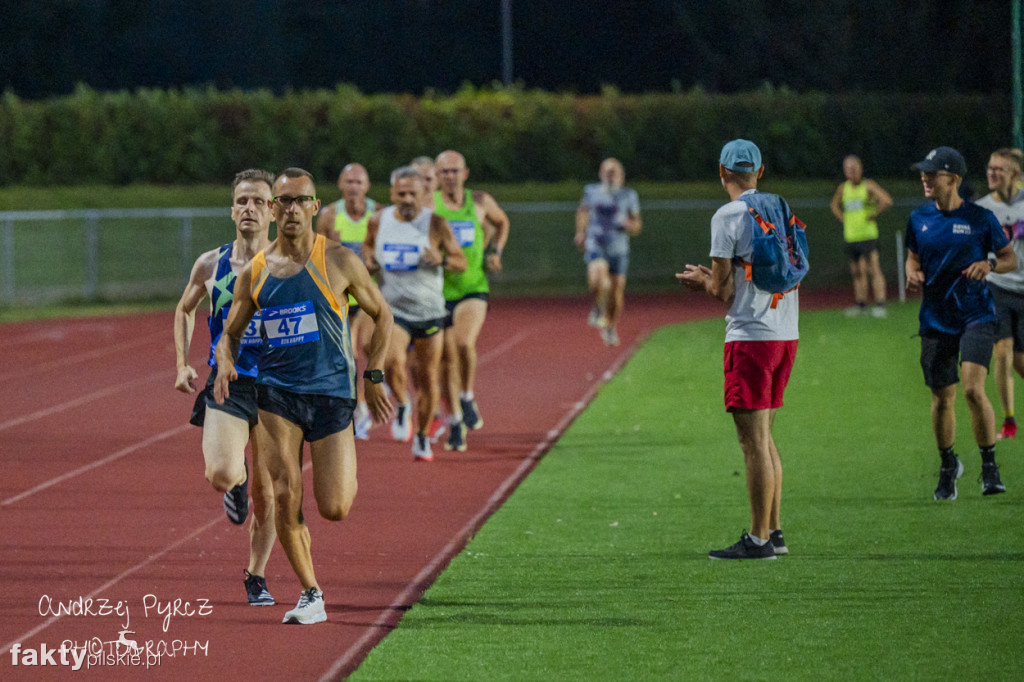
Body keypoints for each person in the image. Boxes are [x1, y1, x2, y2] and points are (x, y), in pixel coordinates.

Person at [214, 167, 394, 625]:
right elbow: (230, 332)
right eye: (284, 201)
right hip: (277, 396)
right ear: (273, 210)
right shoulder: (257, 271)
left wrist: (373, 375)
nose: (292, 208)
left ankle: (310, 567)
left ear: (316, 207)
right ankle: (311, 592)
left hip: (332, 395)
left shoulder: (338, 259)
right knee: (281, 490)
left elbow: (383, 314)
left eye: (301, 200)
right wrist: (226, 361)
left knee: (335, 506)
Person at [676, 139, 797, 560]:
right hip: (786, 334)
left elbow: (721, 292)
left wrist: (702, 280)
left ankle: (759, 539)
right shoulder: (779, 207)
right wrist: (719, 279)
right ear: (760, 171)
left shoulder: (727, 215)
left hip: (750, 337)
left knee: (752, 444)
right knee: (766, 437)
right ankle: (775, 533)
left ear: (722, 172)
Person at [173, 168, 278, 606]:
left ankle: (256, 575)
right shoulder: (211, 263)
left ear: (273, 210)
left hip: (278, 387)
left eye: (257, 201)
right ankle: (236, 481)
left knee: (270, 493)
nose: (249, 208)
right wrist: (182, 363)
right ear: (231, 209)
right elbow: (184, 309)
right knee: (220, 473)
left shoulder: (292, 266)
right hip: (228, 383)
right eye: (242, 201)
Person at [905, 146, 1014, 500]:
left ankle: (989, 466)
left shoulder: (981, 218)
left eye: (932, 173)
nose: (925, 177)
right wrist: (912, 272)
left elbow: (1009, 257)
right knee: (942, 399)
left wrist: (991, 266)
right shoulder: (918, 218)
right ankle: (949, 463)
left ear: (952, 179)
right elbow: (912, 258)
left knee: (971, 389)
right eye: (923, 172)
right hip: (936, 319)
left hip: (977, 314)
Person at [364, 165, 466, 460]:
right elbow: (368, 247)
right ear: (392, 193)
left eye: (412, 193)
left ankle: (421, 436)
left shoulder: (435, 224)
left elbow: (461, 261)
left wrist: (442, 258)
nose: (407, 198)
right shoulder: (378, 220)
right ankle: (402, 403)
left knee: (428, 376)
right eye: (401, 193)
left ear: (423, 194)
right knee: (392, 360)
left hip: (429, 311)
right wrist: (369, 260)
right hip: (393, 309)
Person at [433, 150, 510, 451]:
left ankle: (466, 396)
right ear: (437, 176)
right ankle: (455, 422)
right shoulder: (429, 205)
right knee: (444, 363)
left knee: (463, 344)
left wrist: (496, 251)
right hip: (437, 293)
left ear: (465, 173)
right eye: (445, 172)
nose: (450, 176)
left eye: (455, 171)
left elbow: (502, 222)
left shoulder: (479, 202)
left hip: (472, 287)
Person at [316, 163, 378, 440]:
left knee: (366, 348)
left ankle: (378, 388)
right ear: (341, 184)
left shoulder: (379, 214)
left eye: (359, 182)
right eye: (349, 181)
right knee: (349, 355)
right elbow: (319, 255)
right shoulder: (329, 215)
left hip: (371, 293)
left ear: (367, 186)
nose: (354, 186)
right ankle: (361, 407)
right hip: (341, 295)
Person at [978, 148, 1024, 439]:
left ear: (1015, 176)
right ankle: (1009, 420)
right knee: (1003, 353)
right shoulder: (982, 209)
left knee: (1020, 362)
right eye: (990, 168)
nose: (992, 173)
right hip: (998, 287)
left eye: (1000, 169)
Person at [574, 158, 642, 345]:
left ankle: (610, 326)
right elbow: (582, 212)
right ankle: (597, 305)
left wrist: (630, 225)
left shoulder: (629, 195)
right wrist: (580, 232)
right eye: (607, 171)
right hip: (596, 243)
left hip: (619, 249)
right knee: (600, 279)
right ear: (601, 173)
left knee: (616, 289)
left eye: (614, 172)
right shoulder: (591, 191)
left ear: (621, 175)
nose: (610, 175)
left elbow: (637, 224)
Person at [829, 155, 893, 317]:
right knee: (857, 271)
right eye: (847, 169)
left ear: (860, 169)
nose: (850, 171)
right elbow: (834, 205)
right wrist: (842, 217)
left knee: (873, 268)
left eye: (853, 168)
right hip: (851, 236)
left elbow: (886, 200)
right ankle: (861, 304)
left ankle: (880, 304)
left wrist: (873, 213)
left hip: (868, 235)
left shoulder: (868, 186)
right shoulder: (843, 188)